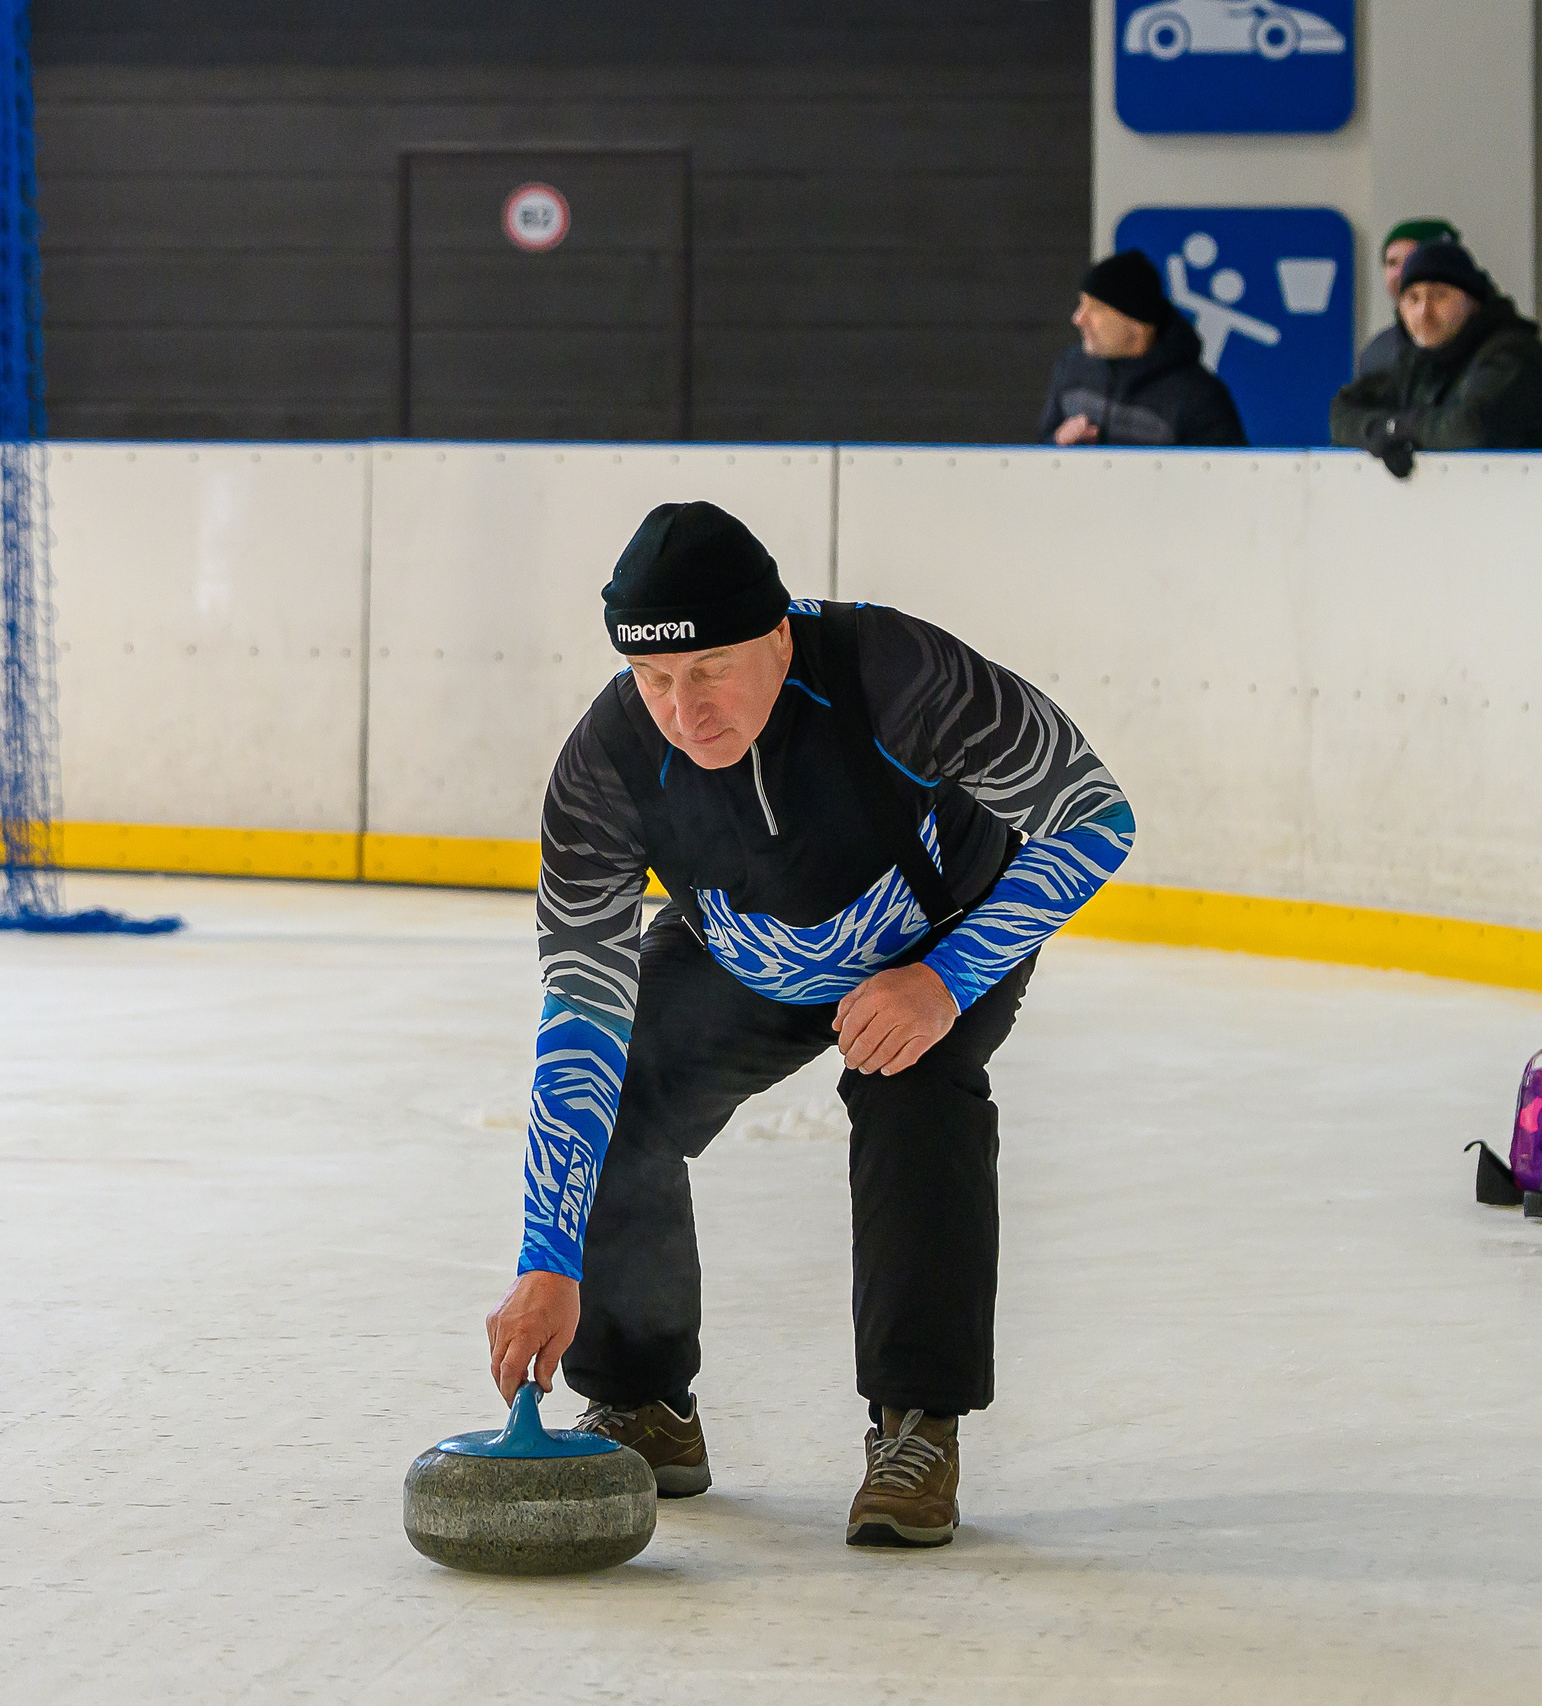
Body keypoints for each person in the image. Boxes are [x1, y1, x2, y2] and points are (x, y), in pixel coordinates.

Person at [482, 501, 1136, 1548]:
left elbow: (1095, 813)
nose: (684, 711)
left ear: (779, 634)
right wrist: (546, 1254)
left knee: (913, 1088)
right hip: (752, 956)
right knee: (631, 1074)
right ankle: (644, 1396)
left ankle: (915, 1424)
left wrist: (946, 980)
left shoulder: (894, 672)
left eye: (711, 670)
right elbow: (580, 1011)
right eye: (654, 680)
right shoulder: (604, 762)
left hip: (942, 935)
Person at [1329, 240, 1542, 477]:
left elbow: (1469, 428)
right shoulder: (1416, 359)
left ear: (1471, 302)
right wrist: (1381, 433)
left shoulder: (1513, 354)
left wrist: (1399, 429)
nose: (1424, 312)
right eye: (1413, 299)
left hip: (1523, 504)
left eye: (1439, 296)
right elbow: (1341, 413)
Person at [1038, 251, 1247, 448]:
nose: (1078, 318)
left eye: (1097, 308)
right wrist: (1058, 441)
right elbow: (1039, 452)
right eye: (1081, 305)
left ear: (1135, 321)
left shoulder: (1199, 397)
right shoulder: (1071, 367)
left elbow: (1226, 477)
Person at [1355, 217, 1462, 380]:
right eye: (1392, 263)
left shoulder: (1491, 348)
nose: (1400, 273)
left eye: (1411, 260)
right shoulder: (1379, 351)